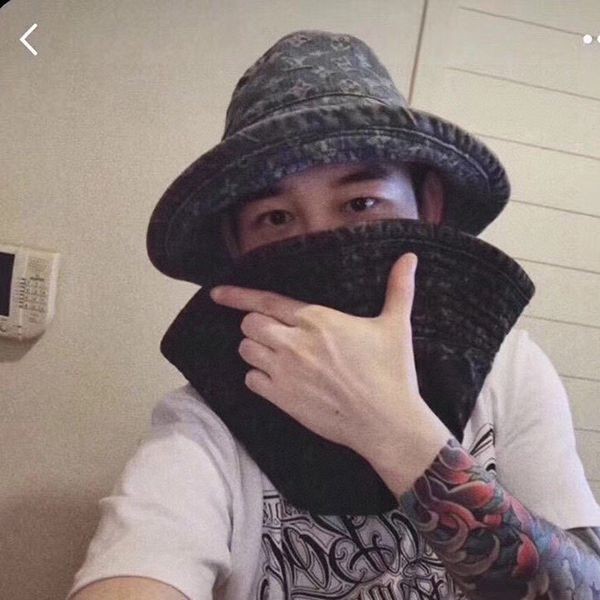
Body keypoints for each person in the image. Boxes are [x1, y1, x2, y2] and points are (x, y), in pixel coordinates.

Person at [67, 30, 600, 600]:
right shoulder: (206, 425)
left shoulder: (508, 372)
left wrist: (395, 429)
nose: (322, 243)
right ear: (236, 247)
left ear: (428, 208)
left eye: (360, 203)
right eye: (276, 218)